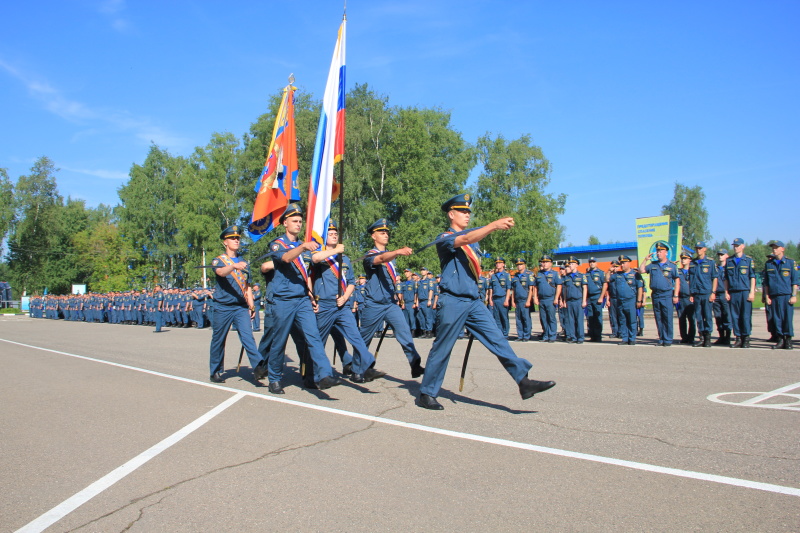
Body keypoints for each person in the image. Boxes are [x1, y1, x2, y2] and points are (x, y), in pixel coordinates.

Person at [418, 194, 555, 410]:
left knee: (498, 339)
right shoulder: (444, 237)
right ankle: (427, 393)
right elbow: (463, 239)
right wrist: (493, 225)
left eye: (469, 212)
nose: (467, 215)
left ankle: (523, 381)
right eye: (463, 211)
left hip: (473, 302)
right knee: (443, 348)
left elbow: (471, 240)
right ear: (451, 214)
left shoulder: (474, 241)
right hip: (453, 300)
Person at [256, 205, 342, 393]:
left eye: (300, 221)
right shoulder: (278, 243)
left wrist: (333, 250)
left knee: (313, 338)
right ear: (285, 223)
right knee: (279, 341)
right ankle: (275, 378)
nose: (298, 224)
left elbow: (314, 261)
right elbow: (286, 258)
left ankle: (323, 374)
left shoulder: (304, 245)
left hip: (302, 299)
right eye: (294, 221)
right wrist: (303, 246)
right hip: (283, 300)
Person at [312, 221, 386, 384]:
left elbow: (351, 281)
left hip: (342, 305)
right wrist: (335, 250)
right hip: (324, 305)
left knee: (355, 336)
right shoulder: (320, 253)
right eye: (330, 233)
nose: (334, 235)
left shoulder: (344, 258)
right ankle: (315, 374)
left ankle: (367, 366)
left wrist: (345, 297)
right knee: (319, 341)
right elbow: (315, 258)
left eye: (335, 233)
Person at [359, 218, 425, 378]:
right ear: (373, 236)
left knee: (404, 332)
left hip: (390, 303)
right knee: (364, 338)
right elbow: (380, 259)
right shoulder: (370, 255)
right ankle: (357, 368)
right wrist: (397, 251)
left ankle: (414, 363)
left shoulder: (391, 258)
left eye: (387, 232)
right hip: (374, 304)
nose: (385, 234)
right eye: (382, 232)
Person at [207, 225, 263, 384]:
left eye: (238, 238)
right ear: (225, 242)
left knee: (248, 337)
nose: (236, 240)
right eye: (233, 238)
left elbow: (248, 286)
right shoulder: (219, 260)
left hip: (240, 307)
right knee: (219, 339)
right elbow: (220, 272)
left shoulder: (244, 262)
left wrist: (251, 305)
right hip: (223, 306)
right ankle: (215, 370)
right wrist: (232, 266)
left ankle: (258, 367)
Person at [638, 241, 680, 346]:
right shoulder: (652, 265)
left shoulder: (671, 266)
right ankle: (661, 338)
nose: (659, 253)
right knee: (659, 317)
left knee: (667, 317)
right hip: (656, 294)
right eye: (657, 251)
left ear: (666, 252)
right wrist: (645, 260)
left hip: (667, 294)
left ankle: (668, 339)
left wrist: (676, 295)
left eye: (661, 251)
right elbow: (641, 270)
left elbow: (677, 280)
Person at [762, 240, 798, 350]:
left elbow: (794, 281)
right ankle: (780, 339)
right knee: (776, 318)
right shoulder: (769, 264)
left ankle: (788, 340)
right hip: (774, 295)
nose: (774, 249)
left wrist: (794, 295)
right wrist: (767, 296)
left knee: (787, 318)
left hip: (786, 295)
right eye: (773, 247)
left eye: (777, 247)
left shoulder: (790, 263)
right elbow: (766, 283)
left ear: (782, 249)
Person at [724, 238, 756, 348]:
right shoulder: (729, 261)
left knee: (745, 316)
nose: (735, 247)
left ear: (743, 246)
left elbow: (752, 277)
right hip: (733, 292)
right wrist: (726, 291)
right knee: (735, 316)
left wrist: (752, 292)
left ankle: (746, 338)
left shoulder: (748, 260)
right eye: (734, 245)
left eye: (737, 245)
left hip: (745, 291)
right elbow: (726, 278)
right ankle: (738, 337)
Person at [606, 255, 642, 345]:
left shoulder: (635, 274)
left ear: (629, 263)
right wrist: (609, 271)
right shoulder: (618, 275)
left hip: (630, 300)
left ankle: (632, 338)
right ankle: (625, 338)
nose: (622, 265)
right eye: (621, 263)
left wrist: (639, 300)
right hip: (620, 300)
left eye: (624, 263)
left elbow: (640, 288)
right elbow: (607, 279)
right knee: (622, 320)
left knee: (632, 320)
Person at [689, 241, 718, 347]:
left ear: (705, 249)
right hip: (696, 293)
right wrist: (691, 294)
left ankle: (708, 337)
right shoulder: (693, 263)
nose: (698, 250)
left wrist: (713, 292)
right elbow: (691, 279)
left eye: (700, 248)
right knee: (699, 316)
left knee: (708, 316)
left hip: (706, 293)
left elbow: (714, 278)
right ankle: (701, 337)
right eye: (697, 248)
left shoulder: (710, 262)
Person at [532, 255, 562, 342]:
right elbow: (535, 287)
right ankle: (545, 334)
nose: (544, 264)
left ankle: (552, 335)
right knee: (543, 318)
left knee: (551, 318)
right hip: (542, 299)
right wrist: (535, 298)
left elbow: (559, 286)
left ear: (550, 263)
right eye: (543, 262)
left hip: (551, 298)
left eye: (546, 262)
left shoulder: (555, 274)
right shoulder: (539, 274)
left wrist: (556, 298)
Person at [561, 256, 587, 343]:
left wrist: (584, 300)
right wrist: (564, 301)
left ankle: (580, 337)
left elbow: (585, 288)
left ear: (576, 265)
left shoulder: (581, 276)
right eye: (570, 264)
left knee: (579, 320)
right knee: (570, 320)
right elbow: (565, 290)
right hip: (569, 301)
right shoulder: (567, 277)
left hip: (578, 300)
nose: (570, 266)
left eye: (572, 264)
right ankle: (573, 337)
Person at [511, 258, 534, 341]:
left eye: (520, 264)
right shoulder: (515, 276)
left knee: (526, 318)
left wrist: (528, 300)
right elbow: (513, 289)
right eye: (517, 265)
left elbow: (531, 289)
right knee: (519, 319)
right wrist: (513, 300)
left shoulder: (529, 275)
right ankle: (520, 335)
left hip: (525, 300)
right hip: (518, 300)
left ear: (524, 265)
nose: (519, 266)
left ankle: (527, 335)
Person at [488, 258, 512, 337]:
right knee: (496, 317)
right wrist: (490, 299)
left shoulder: (506, 275)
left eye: (500, 263)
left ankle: (505, 333)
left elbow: (508, 288)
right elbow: (491, 288)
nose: (498, 264)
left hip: (503, 298)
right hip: (495, 298)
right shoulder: (493, 276)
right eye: (496, 263)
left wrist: (507, 300)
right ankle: (499, 333)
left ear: (503, 264)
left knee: (504, 317)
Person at [713, 249, 732, 345]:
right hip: (716, 294)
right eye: (719, 254)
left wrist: (727, 292)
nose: (720, 256)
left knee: (726, 316)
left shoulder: (729, 268)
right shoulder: (715, 268)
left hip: (725, 294)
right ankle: (721, 336)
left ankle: (727, 337)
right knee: (718, 316)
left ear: (727, 256)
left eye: (722, 254)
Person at [584, 257, 606, 342]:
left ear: (596, 263)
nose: (592, 263)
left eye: (593, 262)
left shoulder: (601, 273)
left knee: (597, 317)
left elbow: (604, 285)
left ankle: (598, 336)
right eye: (590, 262)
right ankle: (592, 335)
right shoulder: (587, 274)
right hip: (589, 297)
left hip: (597, 296)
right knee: (591, 317)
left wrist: (601, 297)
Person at [677, 252, 696, 344]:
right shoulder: (678, 271)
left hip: (690, 298)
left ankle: (691, 337)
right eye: (682, 258)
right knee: (681, 318)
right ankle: (684, 337)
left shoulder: (693, 271)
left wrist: (693, 294)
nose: (683, 260)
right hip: (681, 298)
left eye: (685, 258)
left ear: (690, 260)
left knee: (691, 319)